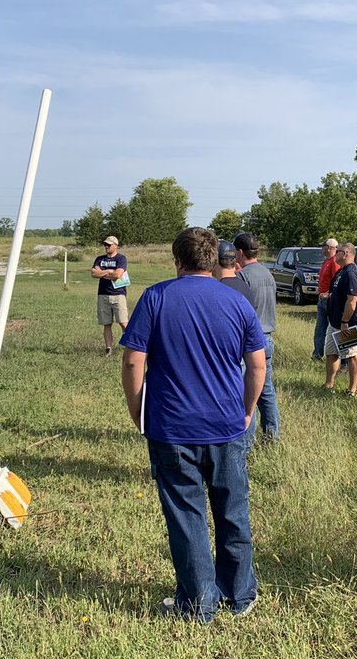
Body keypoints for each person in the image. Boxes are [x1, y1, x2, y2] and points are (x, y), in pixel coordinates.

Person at [120, 227, 266, 622]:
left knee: (186, 516)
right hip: (227, 425)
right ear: (216, 259)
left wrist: (138, 410)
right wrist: (248, 410)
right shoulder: (236, 303)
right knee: (232, 512)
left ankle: (198, 602)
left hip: (171, 427)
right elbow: (257, 364)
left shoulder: (157, 297)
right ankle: (238, 595)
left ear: (178, 261)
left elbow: (134, 360)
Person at [233, 233, 280, 443]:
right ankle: (272, 435)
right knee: (266, 390)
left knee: (247, 391)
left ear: (240, 252)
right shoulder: (267, 273)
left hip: (250, 342)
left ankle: (247, 440)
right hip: (267, 337)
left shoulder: (243, 276)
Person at [214, 239, 259, 443]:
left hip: (230, 356)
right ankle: (247, 439)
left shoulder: (220, 290)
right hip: (247, 352)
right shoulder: (245, 287)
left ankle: (235, 440)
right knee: (250, 398)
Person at [324, 242, 357, 397]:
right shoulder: (341, 271)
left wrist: (344, 322)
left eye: (338, 251)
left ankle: (352, 390)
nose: (335, 254)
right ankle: (329, 384)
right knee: (331, 353)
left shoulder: (351, 272)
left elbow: (352, 300)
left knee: (352, 355)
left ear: (346, 253)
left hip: (347, 324)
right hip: (334, 322)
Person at [91, 236, 128, 355]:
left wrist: (103, 273)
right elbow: (93, 273)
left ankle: (129, 348)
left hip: (118, 294)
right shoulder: (99, 259)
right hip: (103, 294)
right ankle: (108, 349)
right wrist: (109, 271)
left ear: (116, 245)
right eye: (105, 244)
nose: (106, 246)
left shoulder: (121, 258)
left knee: (123, 322)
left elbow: (118, 274)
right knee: (106, 324)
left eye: (109, 245)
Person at [312, 238, 341, 361]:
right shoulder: (326, 261)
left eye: (323, 246)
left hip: (329, 301)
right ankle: (317, 355)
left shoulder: (334, 262)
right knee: (319, 330)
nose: (322, 248)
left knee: (333, 330)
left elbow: (337, 282)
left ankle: (337, 357)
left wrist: (329, 294)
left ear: (329, 248)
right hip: (322, 301)